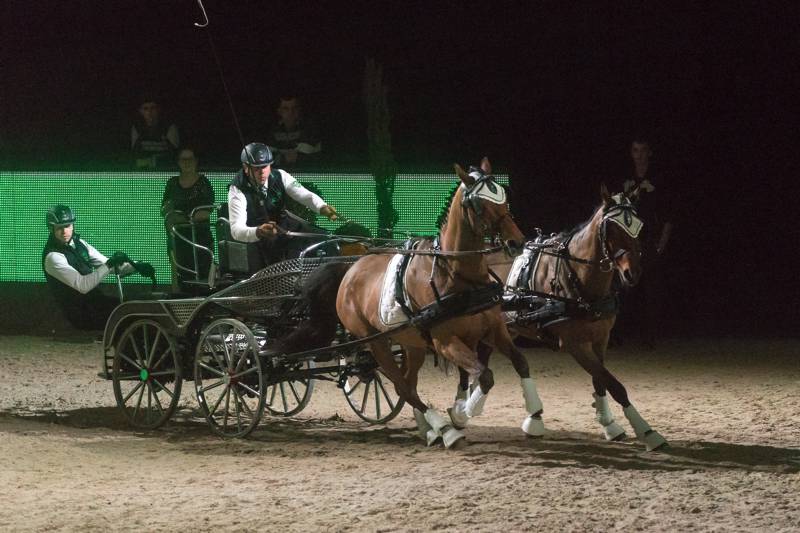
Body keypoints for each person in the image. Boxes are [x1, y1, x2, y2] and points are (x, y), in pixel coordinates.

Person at [228, 142, 338, 268]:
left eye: (265, 166)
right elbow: (236, 230)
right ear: (245, 167)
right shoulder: (237, 189)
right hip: (257, 237)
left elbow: (305, 195)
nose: (262, 172)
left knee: (326, 240)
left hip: (283, 225)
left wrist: (321, 207)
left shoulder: (280, 175)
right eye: (256, 168)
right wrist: (258, 231)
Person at [42, 205, 145, 330]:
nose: (65, 232)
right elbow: (83, 286)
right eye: (59, 228)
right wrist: (109, 264)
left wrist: (137, 266)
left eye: (68, 226)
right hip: (80, 313)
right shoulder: (53, 257)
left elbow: (107, 264)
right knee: (129, 315)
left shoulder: (79, 244)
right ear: (51, 228)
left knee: (136, 309)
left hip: (95, 303)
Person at [617, 137, 673, 348]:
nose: (638, 154)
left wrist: (661, 244)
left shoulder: (659, 179)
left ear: (649, 153)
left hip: (650, 240)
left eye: (642, 150)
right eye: (635, 150)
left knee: (651, 290)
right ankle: (619, 335)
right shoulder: (625, 179)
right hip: (629, 241)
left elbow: (669, 215)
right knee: (625, 288)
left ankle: (649, 337)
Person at [161, 147, 215, 292]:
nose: (186, 163)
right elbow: (166, 211)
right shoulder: (172, 184)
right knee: (180, 278)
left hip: (200, 239)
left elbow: (205, 212)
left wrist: (182, 218)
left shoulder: (203, 183)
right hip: (178, 240)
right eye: (183, 159)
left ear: (196, 161)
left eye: (190, 159)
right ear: (178, 162)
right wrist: (183, 217)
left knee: (202, 279)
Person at [268, 95, 321, 169]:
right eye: (286, 109)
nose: (291, 112)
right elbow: (267, 159)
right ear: (279, 111)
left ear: (299, 109)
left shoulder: (310, 130)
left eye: (294, 108)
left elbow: (312, 159)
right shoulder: (270, 131)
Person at [131, 95, 180, 170]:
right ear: (140, 111)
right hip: (144, 171)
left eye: (153, 108)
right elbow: (134, 154)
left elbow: (175, 155)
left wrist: (153, 161)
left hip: (166, 169)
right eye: (145, 109)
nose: (149, 112)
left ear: (158, 109)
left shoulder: (169, 127)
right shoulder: (136, 128)